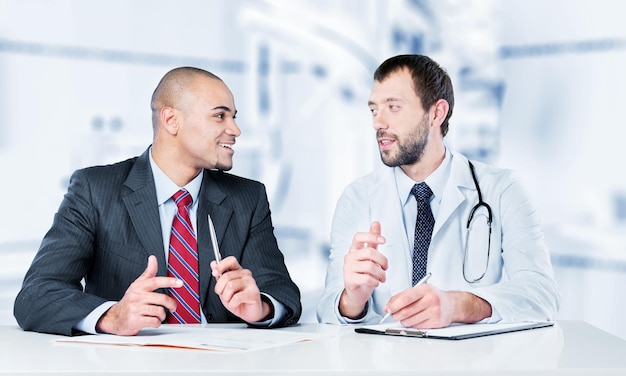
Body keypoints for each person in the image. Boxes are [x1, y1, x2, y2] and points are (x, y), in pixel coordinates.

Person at [14, 67, 302, 336]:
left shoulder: (248, 198)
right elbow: (36, 295)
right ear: (171, 120)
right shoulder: (95, 190)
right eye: (220, 116)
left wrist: (260, 307)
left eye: (234, 117)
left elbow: (283, 293)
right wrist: (112, 317)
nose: (235, 130)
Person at [317, 54, 560, 329]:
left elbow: (542, 296)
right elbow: (327, 311)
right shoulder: (357, 198)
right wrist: (352, 299)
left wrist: (459, 305)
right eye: (374, 109)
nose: (377, 122)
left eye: (393, 107)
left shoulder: (502, 190)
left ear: (436, 113)